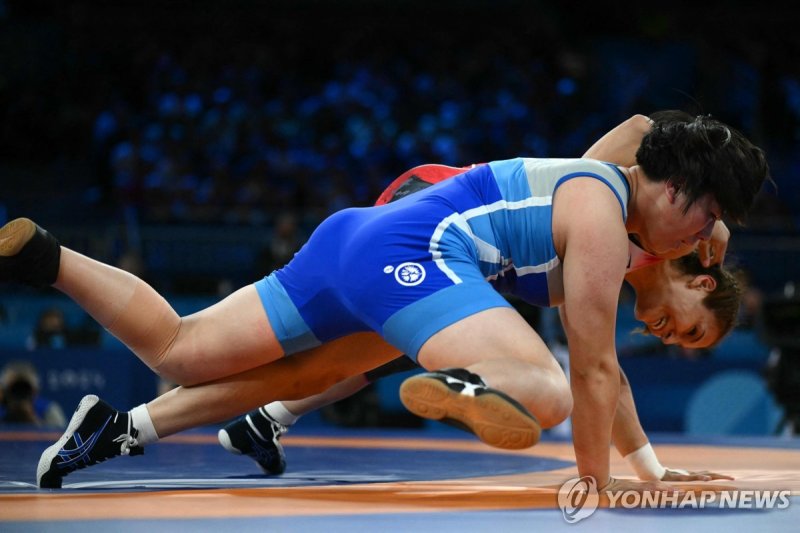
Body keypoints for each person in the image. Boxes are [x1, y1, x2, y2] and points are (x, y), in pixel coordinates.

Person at [0, 111, 769, 491]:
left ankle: (49, 259)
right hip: (420, 246)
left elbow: (613, 368)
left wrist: (648, 466)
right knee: (546, 387)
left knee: (180, 345)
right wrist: (598, 493)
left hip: (359, 240)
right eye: (702, 221)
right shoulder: (605, 214)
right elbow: (598, 373)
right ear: (672, 188)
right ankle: (477, 381)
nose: (703, 237)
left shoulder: (618, 212)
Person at [217, 162, 743, 476]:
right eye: (691, 329)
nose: (672, 338)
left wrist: (649, 469)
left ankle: (262, 419)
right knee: (380, 345)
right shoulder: (628, 213)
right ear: (702, 282)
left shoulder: (643, 242)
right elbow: (637, 134)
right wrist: (715, 210)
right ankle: (261, 413)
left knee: (381, 351)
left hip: (476, 249)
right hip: (441, 214)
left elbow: (609, 374)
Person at [0, 360, 67, 428]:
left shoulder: (48, 410)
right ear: (5, 391)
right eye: (14, 389)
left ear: (35, 390)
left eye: (25, 389)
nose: (20, 393)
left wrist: (33, 420)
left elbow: (63, 436)